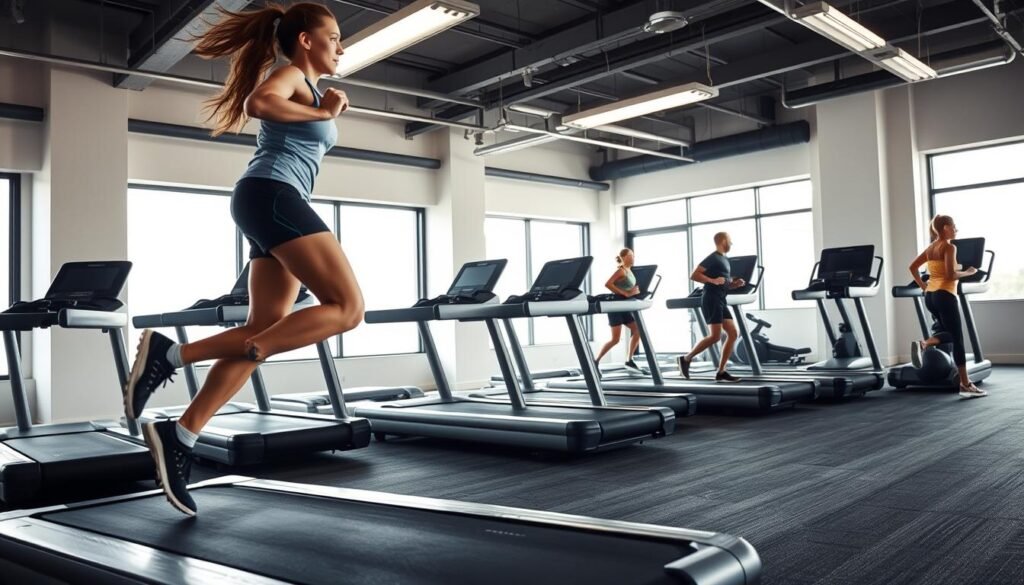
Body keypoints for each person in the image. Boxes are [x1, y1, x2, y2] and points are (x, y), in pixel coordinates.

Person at [123, 2, 364, 516]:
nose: (341, 48)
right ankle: (171, 355)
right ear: (306, 40)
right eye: (334, 37)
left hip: (268, 198)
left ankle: (181, 436)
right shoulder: (292, 75)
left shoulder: (309, 86)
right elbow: (259, 103)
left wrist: (323, 109)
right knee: (347, 309)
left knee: (263, 329)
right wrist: (325, 114)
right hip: (273, 195)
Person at [908, 214, 986, 399]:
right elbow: (951, 275)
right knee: (957, 340)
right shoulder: (949, 247)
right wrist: (969, 272)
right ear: (945, 228)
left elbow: (912, 267)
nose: (956, 229)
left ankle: (924, 344)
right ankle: (965, 384)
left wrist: (924, 286)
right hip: (945, 295)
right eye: (953, 226)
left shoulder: (931, 247)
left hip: (931, 296)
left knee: (948, 334)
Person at [676, 232, 746, 383]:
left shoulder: (725, 259)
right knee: (715, 336)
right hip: (711, 299)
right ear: (723, 241)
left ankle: (721, 371)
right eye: (729, 240)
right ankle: (686, 358)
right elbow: (694, 275)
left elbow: (723, 283)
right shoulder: (713, 257)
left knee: (733, 333)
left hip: (721, 299)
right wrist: (712, 280)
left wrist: (734, 285)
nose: (731, 243)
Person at [593, 248, 644, 375]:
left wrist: (633, 292)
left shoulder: (629, 271)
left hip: (623, 306)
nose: (633, 257)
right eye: (630, 255)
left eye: (633, 255)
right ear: (623, 257)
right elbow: (608, 284)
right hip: (615, 306)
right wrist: (625, 293)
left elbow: (627, 287)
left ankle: (629, 360)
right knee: (615, 339)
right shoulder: (621, 271)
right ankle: (595, 361)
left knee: (638, 330)